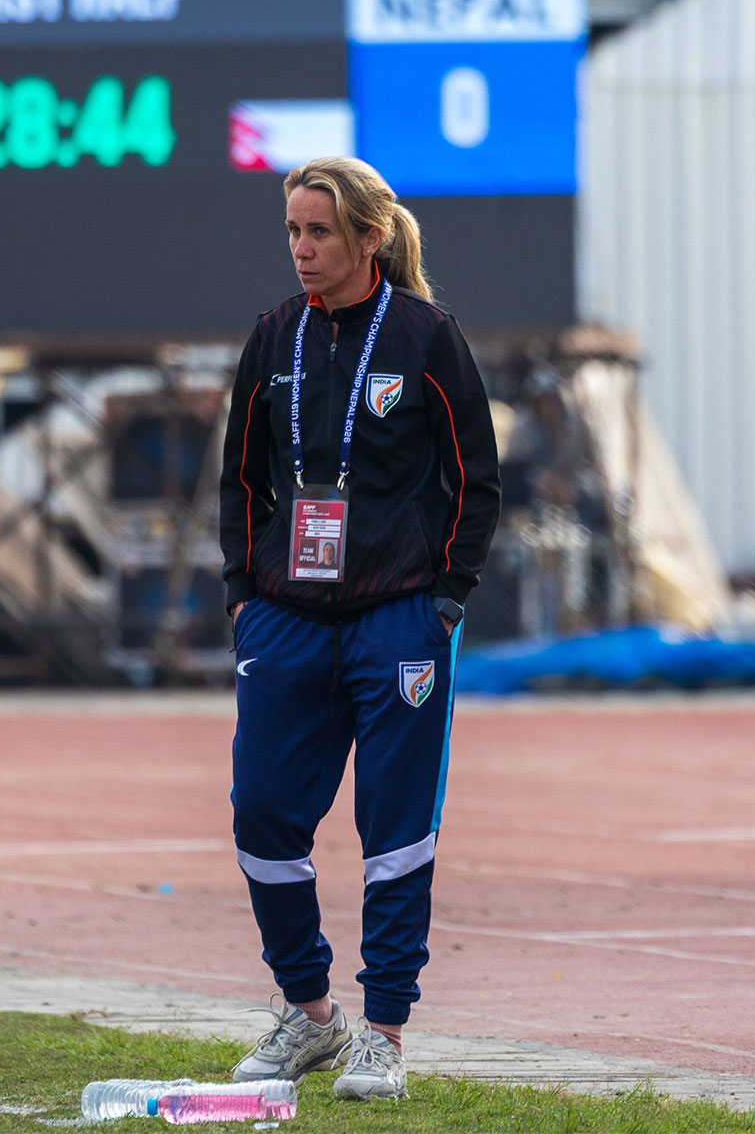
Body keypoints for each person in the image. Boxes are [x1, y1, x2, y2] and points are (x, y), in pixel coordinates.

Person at [217, 157, 501, 1101]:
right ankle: (308, 1014)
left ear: (367, 240)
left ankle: (382, 1032)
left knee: (395, 827)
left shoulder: (426, 337)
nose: (301, 249)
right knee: (261, 813)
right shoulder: (272, 340)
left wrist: (446, 600)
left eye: (320, 233)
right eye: (293, 232)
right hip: (285, 620)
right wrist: (241, 598)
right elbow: (242, 482)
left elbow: (476, 480)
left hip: (400, 620)